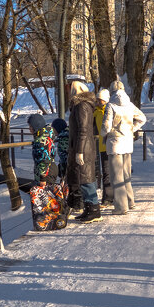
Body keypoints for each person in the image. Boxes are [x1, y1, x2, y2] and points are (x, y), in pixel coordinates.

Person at [102, 81, 147, 215]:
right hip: (127, 142)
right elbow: (142, 119)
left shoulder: (111, 105)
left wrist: (102, 134)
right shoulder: (129, 104)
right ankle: (130, 201)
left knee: (116, 176)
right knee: (127, 174)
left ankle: (121, 207)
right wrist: (132, 129)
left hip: (114, 143)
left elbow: (106, 126)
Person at [67, 80, 102, 223]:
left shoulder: (82, 106)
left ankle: (94, 210)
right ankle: (90, 208)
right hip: (83, 146)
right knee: (85, 178)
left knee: (85, 178)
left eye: (73, 89)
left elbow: (83, 129)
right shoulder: (82, 105)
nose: (71, 92)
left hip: (83, 147)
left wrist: (79, 150)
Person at [94, 88, 113, 204]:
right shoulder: (96, 111)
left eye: (100, 100)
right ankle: (107, 198)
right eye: (97, 99)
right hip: (102, 146)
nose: (97, 101)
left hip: (111, 145)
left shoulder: (110, 110)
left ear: (105, 100)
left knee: (110, 172)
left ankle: (109, 198)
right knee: (106, 172)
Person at [28, 113, 57, 186]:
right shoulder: (47, 136)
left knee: (44, 195)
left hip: (46, 174)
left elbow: (44, 160)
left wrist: (42, 178)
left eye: (31, 126)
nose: (29, 128)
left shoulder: (41, 141)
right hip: (50, 170)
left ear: (36, 126)